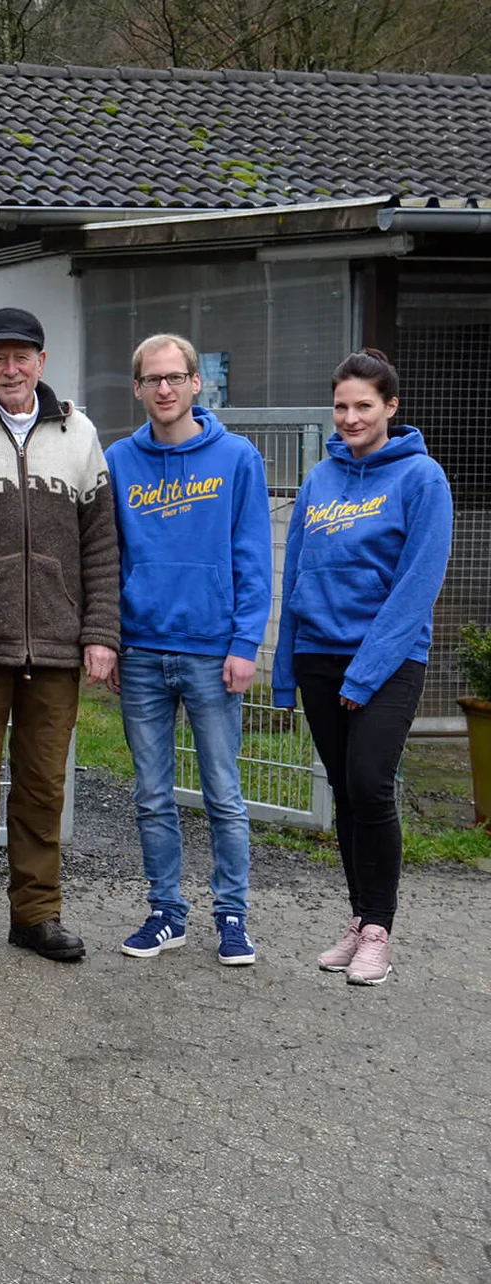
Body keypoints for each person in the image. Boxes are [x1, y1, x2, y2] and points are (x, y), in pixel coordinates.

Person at [0, 307, 120, 963]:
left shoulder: (79, 434)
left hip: (58, 644)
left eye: (22, 357)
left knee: (43, 786)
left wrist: (100, 632)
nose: (11, 369)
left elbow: (101, 544)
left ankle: (37, 913)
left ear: (41, 362)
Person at [273, 349, 452, 986]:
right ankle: (358, 917)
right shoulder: (320, 479)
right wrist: (285, 671)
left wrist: (365, 674)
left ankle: (379, 931)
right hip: (318, 656)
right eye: (341, 406)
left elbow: (417, 587)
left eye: (364, 406)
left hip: (387, 659)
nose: (350, 418)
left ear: (390, 407)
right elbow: (296, 575)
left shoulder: (422, 478)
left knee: (371, 785)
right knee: (346, 790)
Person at [105, 334, 272, 967]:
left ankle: (232, 915)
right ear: (138, 389)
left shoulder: (236, 458)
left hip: (212, 651)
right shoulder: (120, 461)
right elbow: (108, 557)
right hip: (142, 649)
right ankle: (166, 913)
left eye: (175, 377)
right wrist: (111, 637)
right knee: (152, 795)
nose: (165, 388)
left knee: (223, 793)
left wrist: (244, 642)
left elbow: (253, 556)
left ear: (197, 383)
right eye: (153, 379)